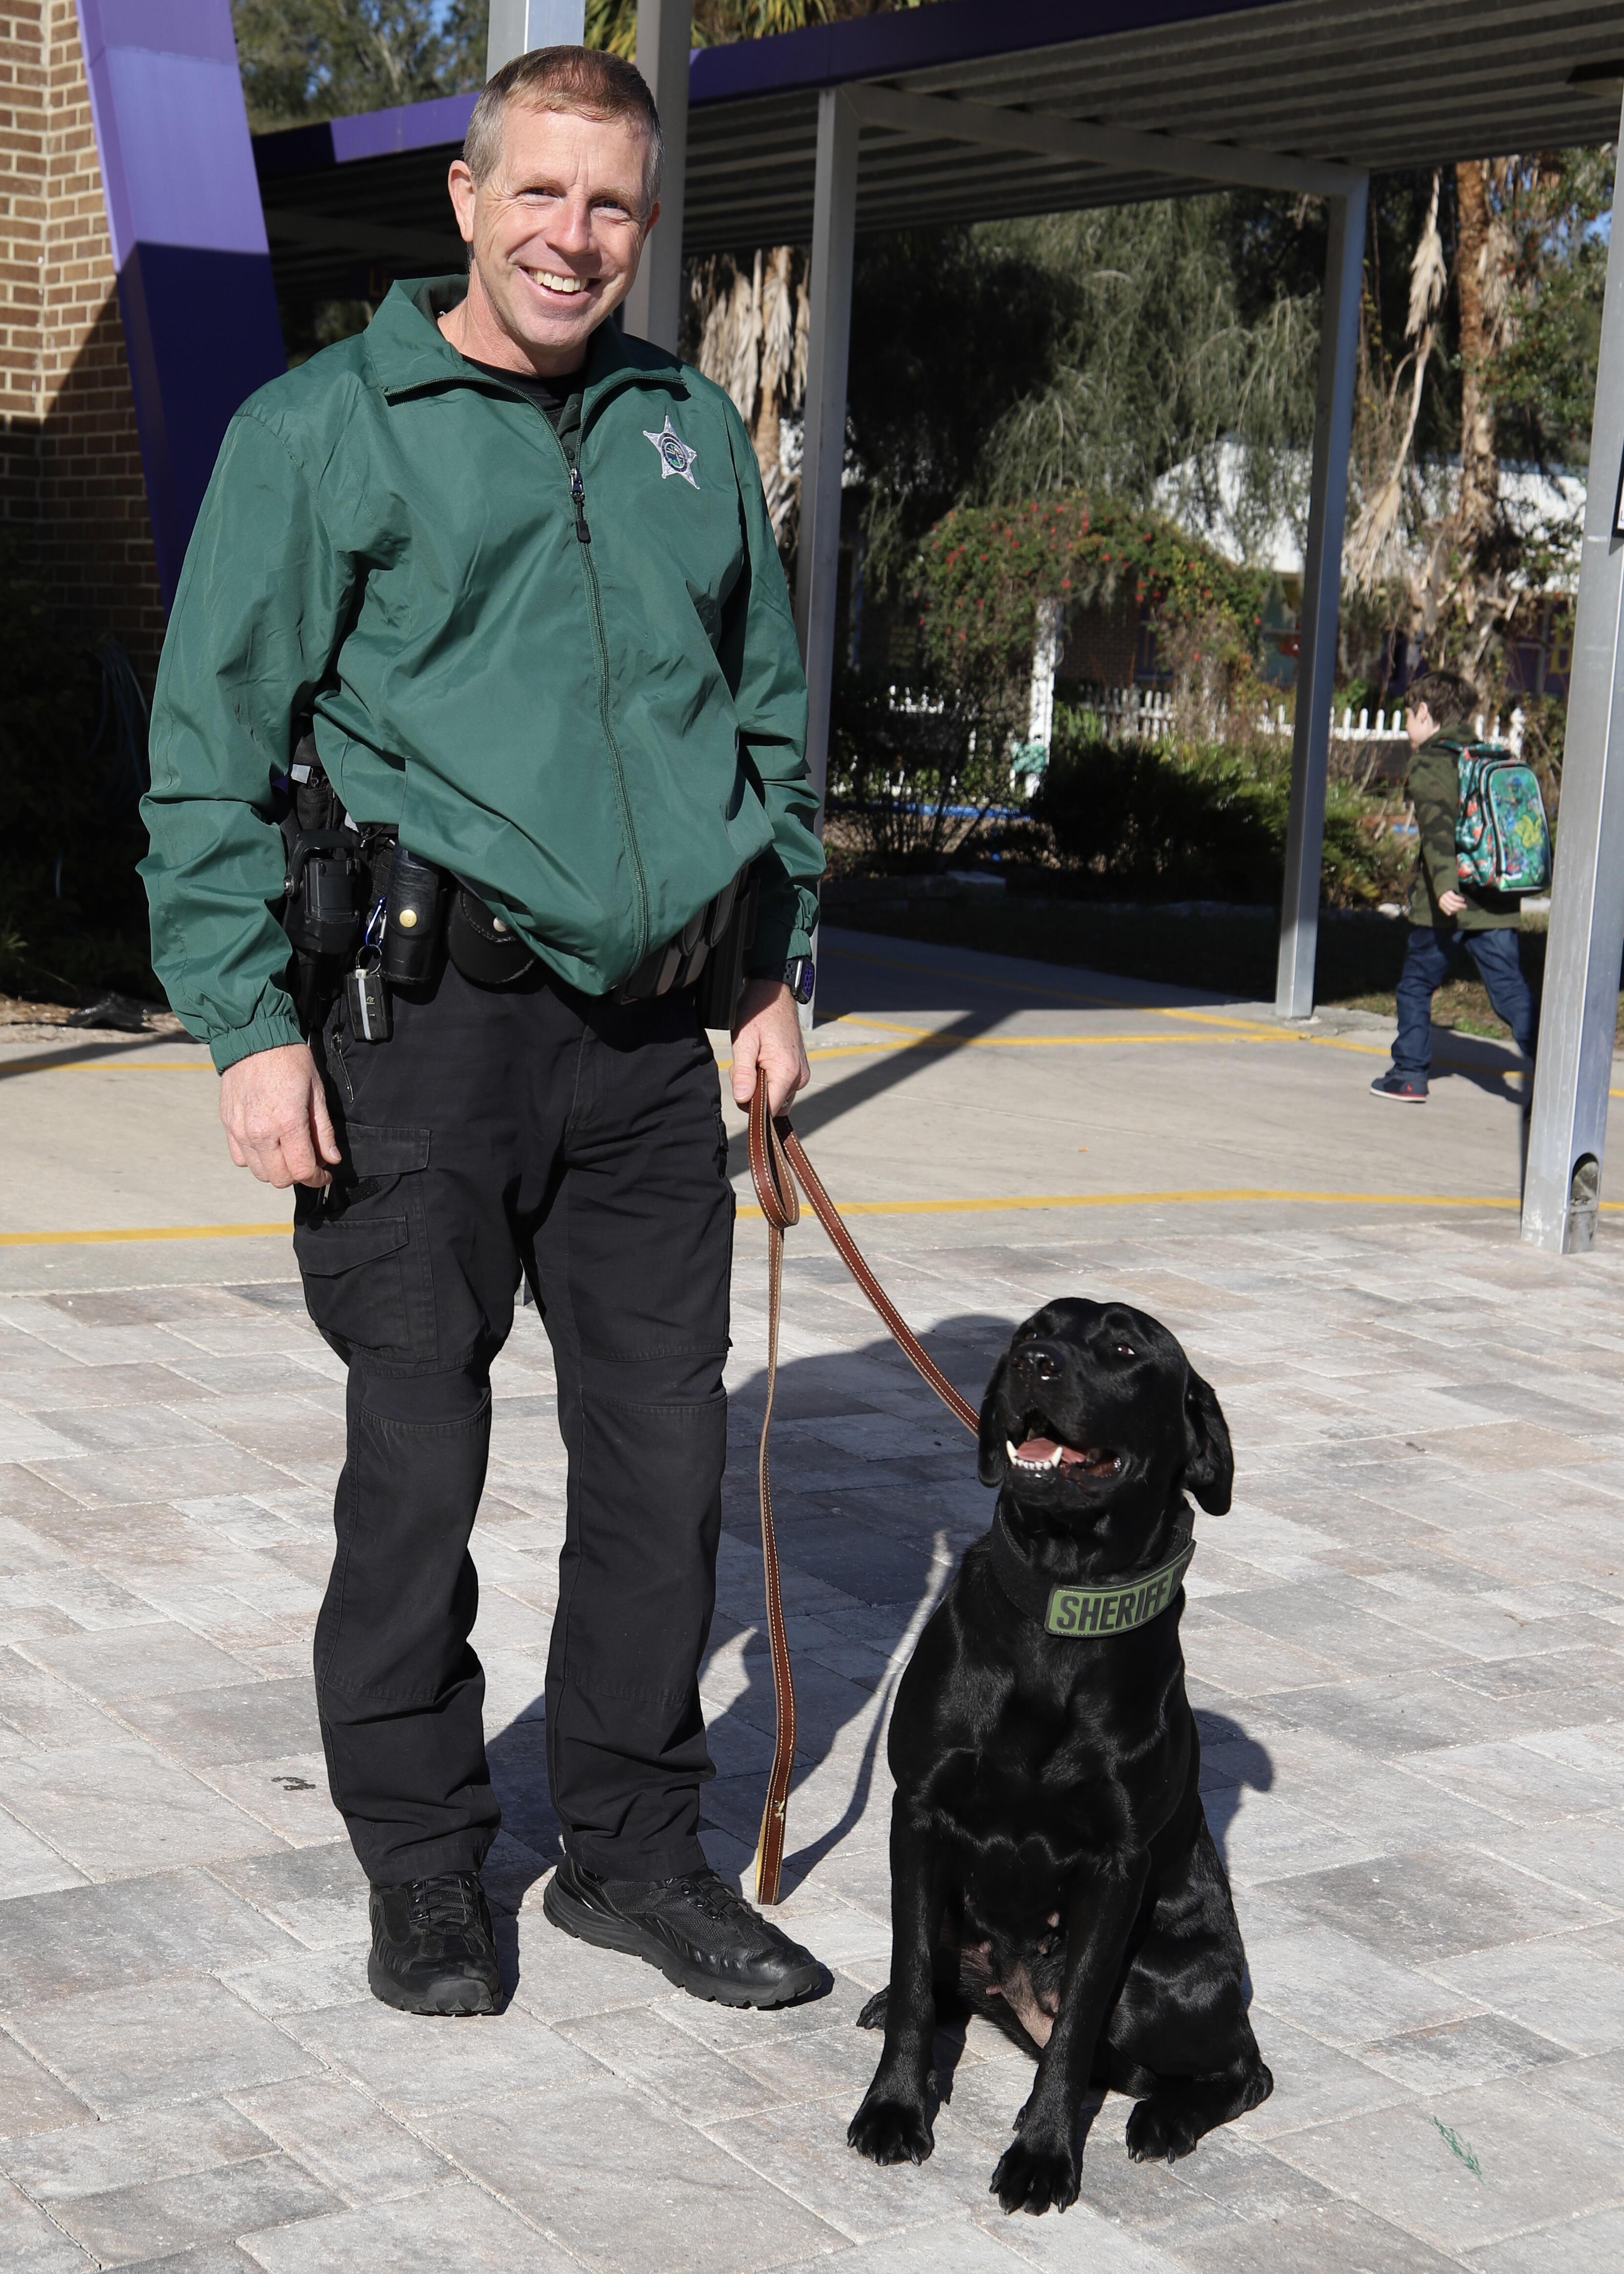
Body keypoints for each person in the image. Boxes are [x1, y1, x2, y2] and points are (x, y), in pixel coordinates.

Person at [140, 47, 826, 2017]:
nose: (571, 236)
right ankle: (428, 1857)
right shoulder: (321, 431)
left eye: (609, 204)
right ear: (465, 197)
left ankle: (630, 1850)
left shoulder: (686, 430)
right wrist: (245, 1027)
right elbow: (205, 755)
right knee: (418, 1461)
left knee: (661, 1464)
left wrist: (768, 967)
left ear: (645, 223)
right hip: (419, 1037)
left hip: (649, 1049)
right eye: (538, 192)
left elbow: (763, 724)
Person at [1370, 668, 1539, 1104]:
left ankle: (1409, 1074)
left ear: (1425, 713)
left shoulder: (1431, 762)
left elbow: (1437, 828)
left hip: (1445, 904)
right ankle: (1555, 1070)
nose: (1407, 724)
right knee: (1509, 991)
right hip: (1495, 901)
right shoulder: (1490, 755)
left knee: (1415, 986)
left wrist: (1445, 884)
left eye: (1409, 715)